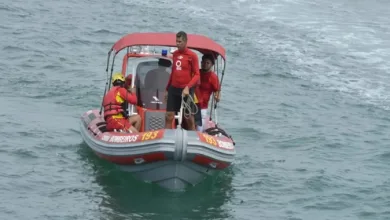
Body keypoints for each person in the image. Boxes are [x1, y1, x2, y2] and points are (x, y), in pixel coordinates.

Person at [164, 31, 200, 130]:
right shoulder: (175, 54)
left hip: (186, 90)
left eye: (179, 42)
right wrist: (167, 89)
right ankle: (166, 137)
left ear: (185, 41)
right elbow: (173, 72)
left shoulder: (192, 56)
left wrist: (188, 87)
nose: (177, 44)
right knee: (169, 116)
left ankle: (193, 137)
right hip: (173, 89)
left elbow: (197, 74)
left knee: (188, 117)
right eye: (176, 41)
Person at [198, 54, 220, 131]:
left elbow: (217, 90)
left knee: (199, 127)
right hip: (191, 104)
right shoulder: (197, 73)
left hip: (203, 106)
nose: (205, 64)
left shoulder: (213, 77)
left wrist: (217, 97)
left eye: (207, 63)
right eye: (203, 62)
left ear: (212, 65)